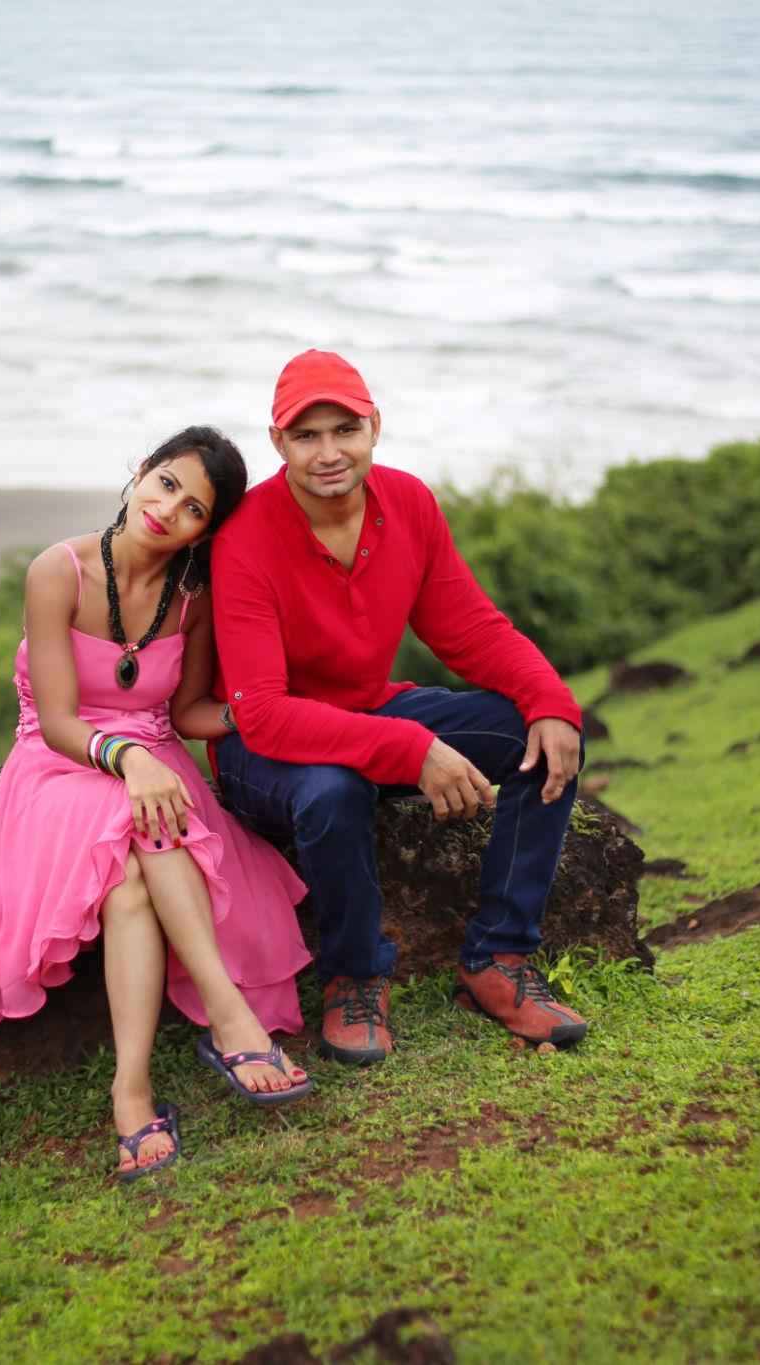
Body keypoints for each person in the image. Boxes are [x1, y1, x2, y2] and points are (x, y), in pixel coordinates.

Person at [210, 350, 590, 1066]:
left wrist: (550, 697)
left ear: (375, 426)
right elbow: (261, 713)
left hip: (373, 710)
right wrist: (412, 749)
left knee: (535, 734)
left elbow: (469, 628)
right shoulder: (246, 538)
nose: (329, 452)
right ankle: (355, 976)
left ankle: (497, 960)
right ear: (276, 443)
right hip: (264, 753)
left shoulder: (408, 501)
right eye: (306, 435)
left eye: (345, 429)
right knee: (333, 789)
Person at [0, 427, 315, 1182]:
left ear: (205, 531)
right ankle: (226, 1023)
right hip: (63, 764)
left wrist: (266, 711)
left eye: (195, 509)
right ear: (140, 474)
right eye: (166, 484)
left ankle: (134, 1092)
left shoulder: (193, 600)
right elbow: (57, 719)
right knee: (146, 814)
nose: (169, 510)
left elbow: (188, 710)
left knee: (129, 877)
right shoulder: (57, 571)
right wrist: (127, 760)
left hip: (155, 757)